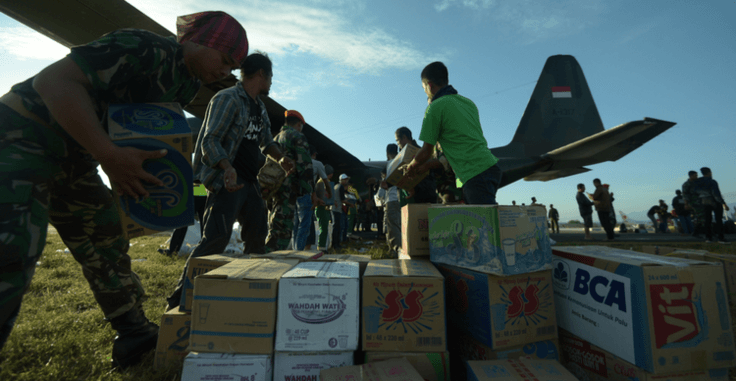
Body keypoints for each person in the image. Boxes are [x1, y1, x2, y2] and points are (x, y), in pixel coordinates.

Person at [0, 11, 248, 368]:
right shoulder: (143, 47)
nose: (226, 72)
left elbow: (138, 130)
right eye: (224, 60)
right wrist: (109, 155)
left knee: (106, 239)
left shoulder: (187, 84)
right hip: (22, 137)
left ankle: (134, 333)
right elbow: (53, 83)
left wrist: (128, 166)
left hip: (77, 158)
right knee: (14, 244)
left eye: (234, 67)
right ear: (195, 41)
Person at [168, 52, 292, 310]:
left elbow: (266, 141)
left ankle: (251, 295)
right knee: (215, 239)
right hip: (228, 181)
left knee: (258, 237)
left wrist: (281, 159)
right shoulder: (228, 99)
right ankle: (181, 298)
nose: (271, 83)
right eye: (271, 77)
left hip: (250, 182)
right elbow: (209, 141)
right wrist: (226, 167)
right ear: (261, 74)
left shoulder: (258, 107)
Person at [405, 62, 503, 204]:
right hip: (490, 166)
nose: (425, 92)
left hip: (473, 172)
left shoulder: (435, 107)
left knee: (483, 224)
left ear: (430, 85)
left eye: (424, 88)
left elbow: (427, 150)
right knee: (481, 220)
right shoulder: (468, 103)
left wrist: (411, 166)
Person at [265, 109, 320, 252]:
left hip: (275, 188)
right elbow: (305, 167)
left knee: (275, 224)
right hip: (289, 189)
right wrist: (310, 192)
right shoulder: (297, 136)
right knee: (284, 229)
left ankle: (269, 256)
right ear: (299, 125)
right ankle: (273, 261)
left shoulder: (275, 139)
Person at [159, 183, 208, 256]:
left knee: (183, 222)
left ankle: (173, 250)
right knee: (204, 223)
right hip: (201, 193)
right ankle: (206, 250)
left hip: (193, 193)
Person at [395, 126, 437, 203]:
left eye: (397, 141)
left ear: (404, 137)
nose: (398, 144)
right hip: (411, 195)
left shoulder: (422, 153)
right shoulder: (402, 156)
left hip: (425, 195)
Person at [302, 147, 331, 250]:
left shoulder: (297, 161)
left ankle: (297, 252)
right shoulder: (317, 164)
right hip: (307, 196)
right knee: (307, 226)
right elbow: (325, 181)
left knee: (298, 225)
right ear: (313, 154)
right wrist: (330, 195)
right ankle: (305, 252)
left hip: (296, 195)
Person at [694, 167, 730, 243]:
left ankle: (708, 238)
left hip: (704, 202)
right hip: (714, 201)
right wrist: (723, 203)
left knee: (707, 220)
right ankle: (721, 238)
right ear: (709, 172)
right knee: (719, 220)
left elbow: (695, 193)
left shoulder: (697, 182)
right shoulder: (712, 182)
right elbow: (716, 194)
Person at [314, 165, 334, 251]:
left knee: (325, 228)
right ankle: (321, 247)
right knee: (323, 228)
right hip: (321, 208)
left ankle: (323, 246)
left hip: (324, 208)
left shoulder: (322, 182)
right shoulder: (322, 182)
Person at [682, 170, 703, 238]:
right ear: (691, 176)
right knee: (700, 217)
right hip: (693, 203)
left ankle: (699, 232)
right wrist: (686, 204)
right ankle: (696, 232)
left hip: (701, 202)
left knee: (703, 217)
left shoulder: (697, 183)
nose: (697, 177)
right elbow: (685, 195)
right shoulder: (686, 184)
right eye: (695, 175)